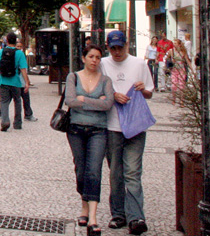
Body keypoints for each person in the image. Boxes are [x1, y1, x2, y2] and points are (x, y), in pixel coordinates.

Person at [101, 30, 154, 235]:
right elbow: (97, 89)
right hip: (112, 125)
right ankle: (118, 214)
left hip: (135, 125)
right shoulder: (104, 63)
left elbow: (149, 92)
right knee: (116, 172)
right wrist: (113, 95)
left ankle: (136, 217)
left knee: (132, 171)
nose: (116, 52)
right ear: (108, 47)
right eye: (113, 48)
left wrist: (142, 89)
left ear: (126, 45)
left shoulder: (140, 64)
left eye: (120, 47)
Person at [65, 44, 115, 235]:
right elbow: (70, 100)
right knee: (80, 169)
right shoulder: (73, 77)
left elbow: (108, 104)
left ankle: (92, 218)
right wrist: (97, 102)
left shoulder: (105, 80)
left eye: (98, 57)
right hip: (75, 129)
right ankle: (84, 207)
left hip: (98, 130)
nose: (95, 60)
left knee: (94, 170)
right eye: (91, 56)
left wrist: (84, 100)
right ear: (84, 58)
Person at [0, 32, 30, 131]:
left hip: (3, 81)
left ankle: (5, 121)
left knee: (4, 102)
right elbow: (23, 69)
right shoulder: (20, 53)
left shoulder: (1, 52)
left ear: (7, 41)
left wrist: (1, 72)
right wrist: (27, 82)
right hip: (16, 82)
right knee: (17, 101)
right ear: (16, 41)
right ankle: (17, 123)